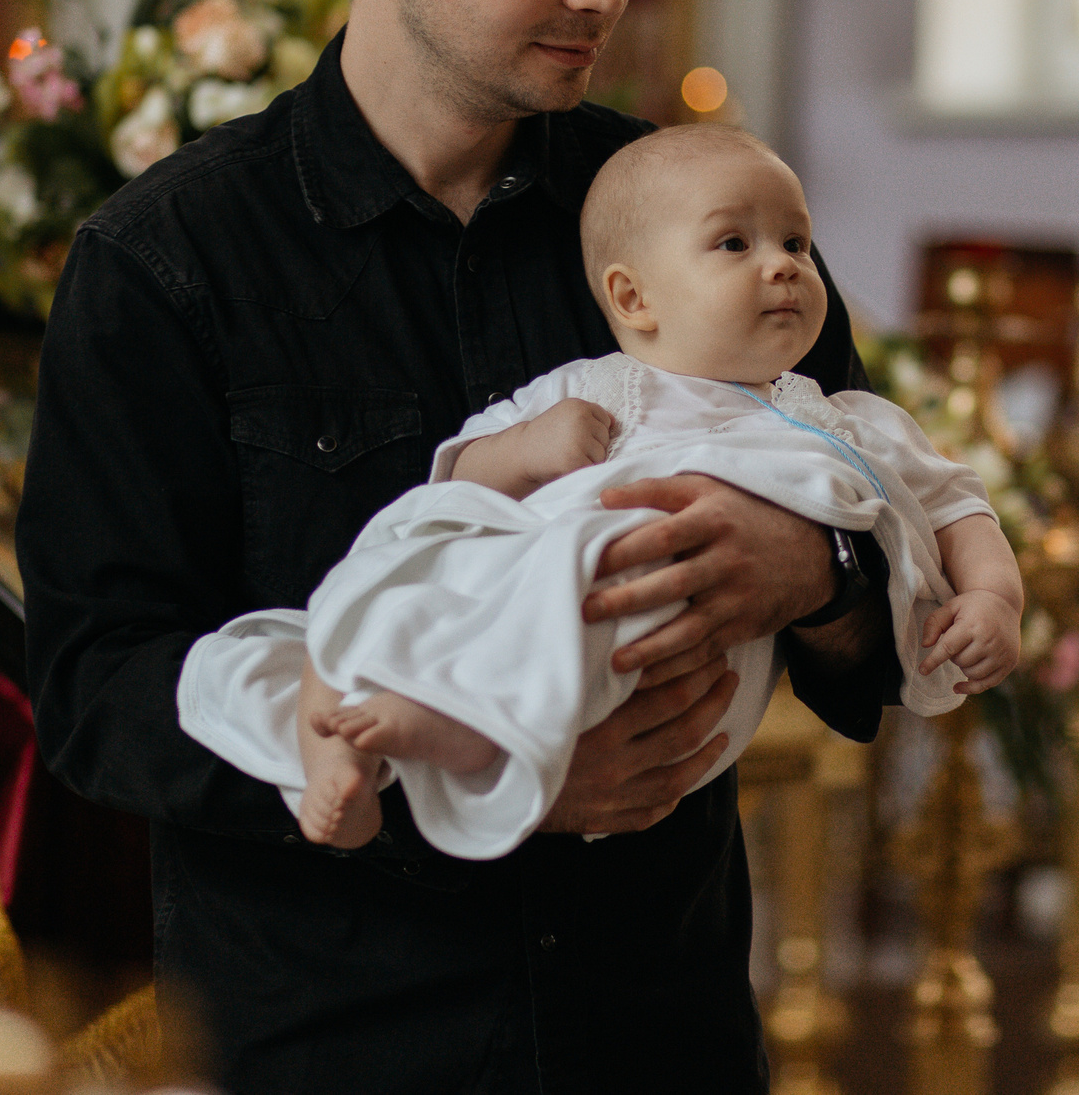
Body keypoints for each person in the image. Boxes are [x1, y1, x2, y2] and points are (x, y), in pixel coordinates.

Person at [17, 0, 903, 1095]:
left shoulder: (692, 209)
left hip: (656, 1038)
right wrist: (469, 781)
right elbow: (95, 685)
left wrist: (810, 568)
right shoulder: (168, 261)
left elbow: (876, 512)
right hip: (337, 1039)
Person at [173, 124, 1023, 857]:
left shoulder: (846, 420)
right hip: (531, 602)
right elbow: (461, 471)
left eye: (796, 244)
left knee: (593, 563)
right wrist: (523, 447)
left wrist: (991, 596)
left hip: (656, 660)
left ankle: (455, 731)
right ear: (632, 296)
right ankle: (342, 729)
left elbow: (955, 504)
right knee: (414, 541)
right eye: (737, 245)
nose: (784, 268)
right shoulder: (601, 389)